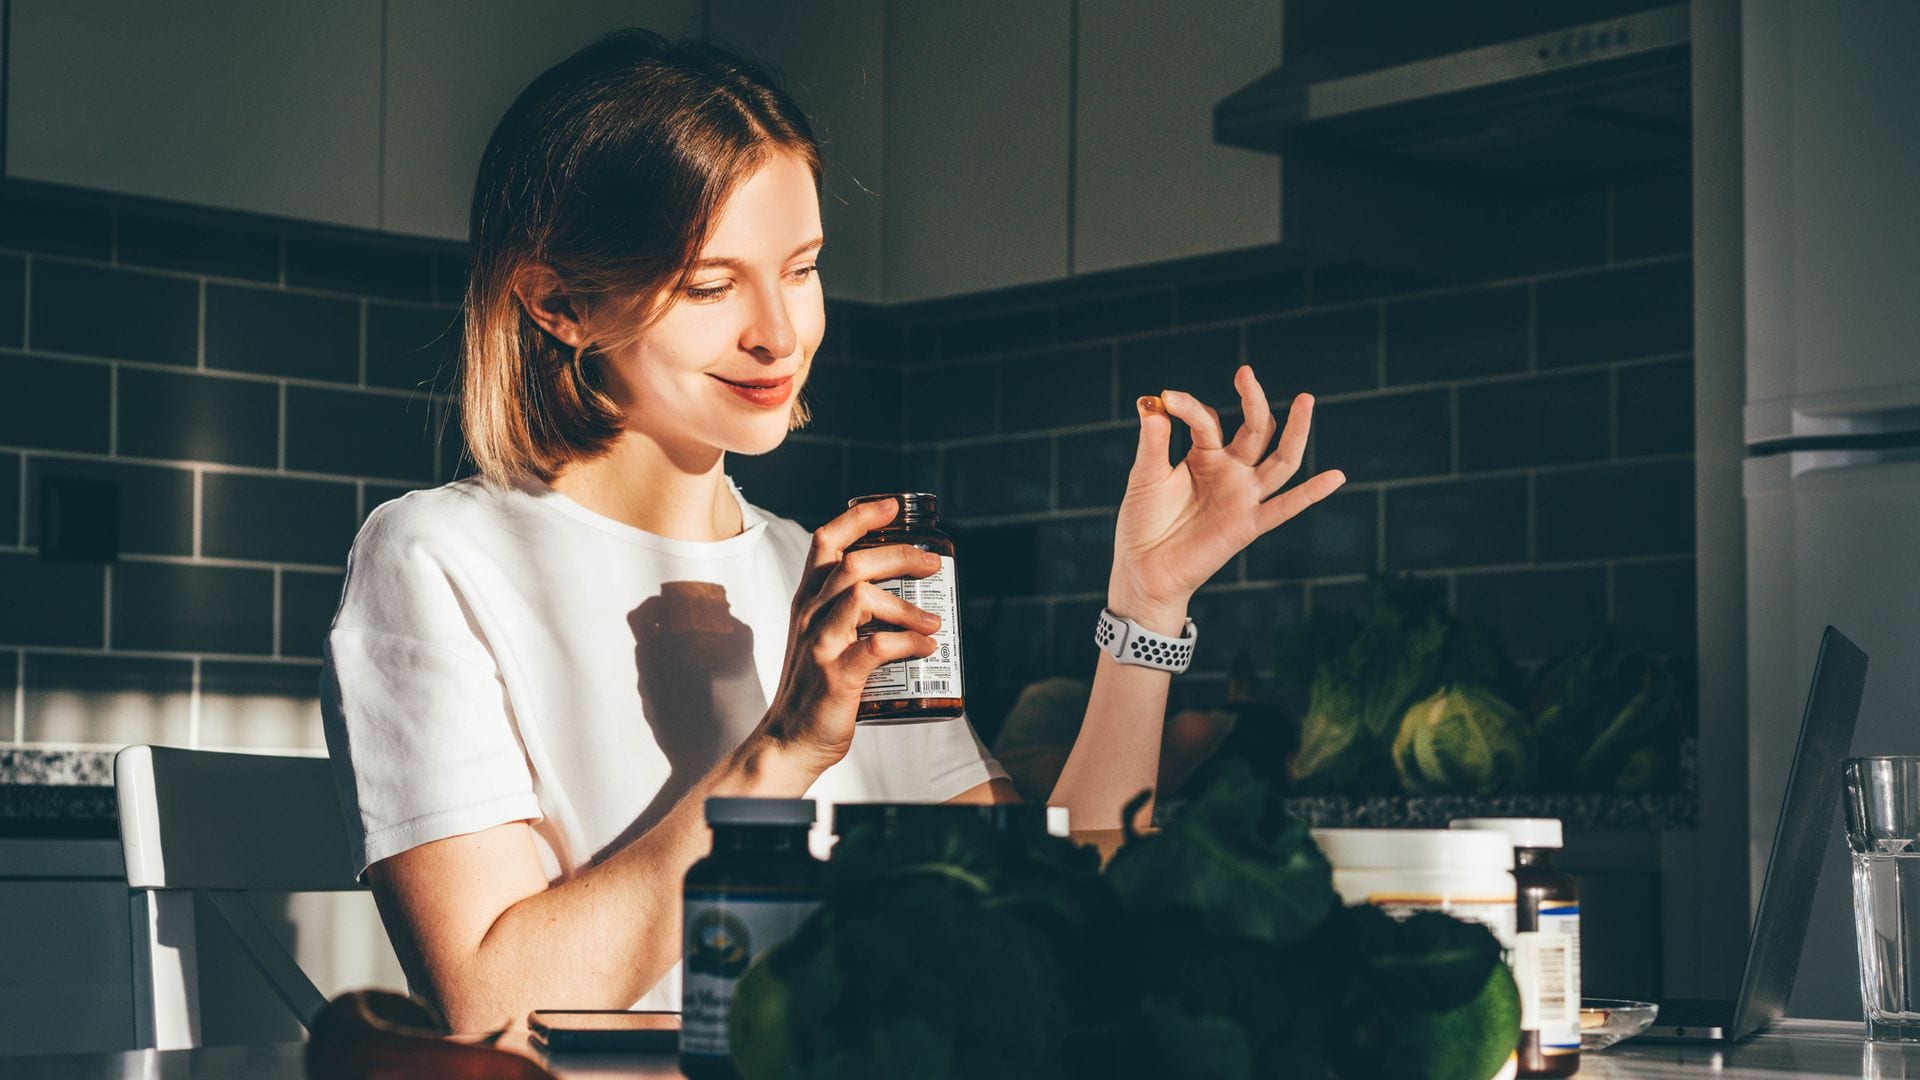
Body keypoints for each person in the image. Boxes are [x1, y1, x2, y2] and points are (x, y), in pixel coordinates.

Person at [320, 29, 1345, 1034]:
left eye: (802, 268)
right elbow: (487, 1005)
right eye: (711, 285)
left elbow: (1041, 907)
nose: (779, 331)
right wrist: (778, 754)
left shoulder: (823, 576)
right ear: (558, 301)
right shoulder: (438, 560)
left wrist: (1146, 606)